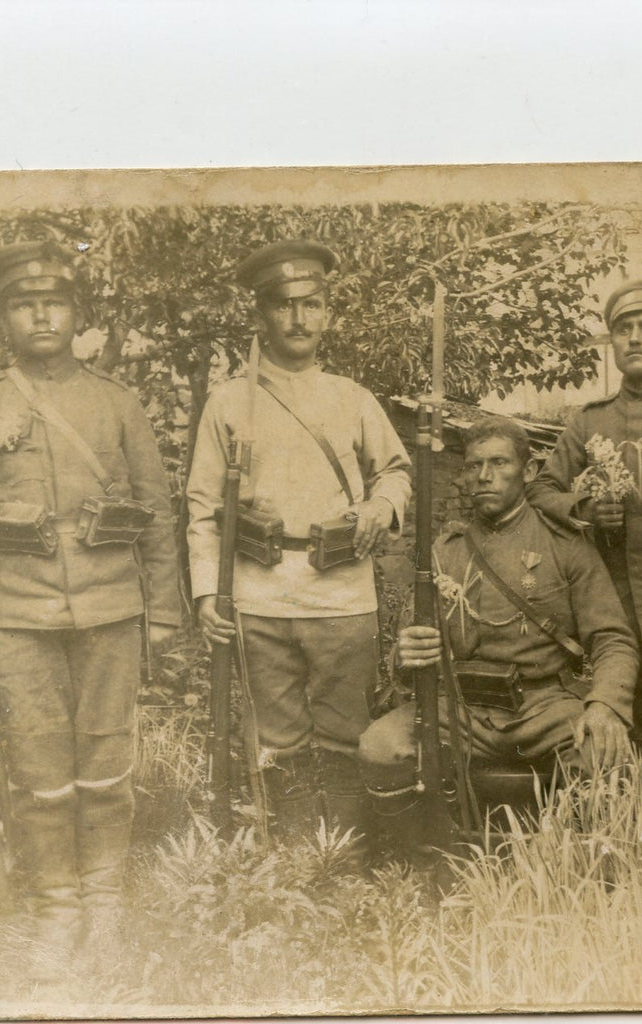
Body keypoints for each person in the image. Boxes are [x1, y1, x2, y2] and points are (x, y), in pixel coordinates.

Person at [0, 241, 183, 967]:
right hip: (18, 609)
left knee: (106, 754)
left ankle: (105, 898)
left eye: (53, 302)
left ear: (75, 310)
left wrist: (168, 611)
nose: (41, 315)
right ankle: (58, 906)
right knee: (36, 757)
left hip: (109, 603)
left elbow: (155, 508)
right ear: (3, 318)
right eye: (24, 305)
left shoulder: (113, 402)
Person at [186, 240, 410, 840]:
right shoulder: (229, 402)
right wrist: (209, 593)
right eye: (284, 306)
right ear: (262, 316)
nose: (298, 319)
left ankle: (343, 860)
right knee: (278, 744)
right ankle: (290, 864)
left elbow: (395, 470)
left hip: (340, 597)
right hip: (258, 597)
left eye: (311, 305)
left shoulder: (351, 397)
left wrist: (381, 504)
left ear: (328, 314)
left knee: (344, 738)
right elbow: (204, 508)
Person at [358, 416, 638, 839]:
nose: (484, 476)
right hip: (458, 708)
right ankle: (424, 857)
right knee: (380, 748)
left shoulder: (565, 545)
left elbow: (613, 638)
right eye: (473, 466)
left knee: (604, 753)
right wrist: (407, 652)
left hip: (543, 705)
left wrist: (605, 705)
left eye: (499, 463)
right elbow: (412, 637)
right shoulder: (444, 549)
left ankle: (574, 868)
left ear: (527, 472)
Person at [528, 279, 642, 750]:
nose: (633, 338)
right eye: (622, 329)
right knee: (637, 732)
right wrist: (585, 509)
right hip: (616, 608)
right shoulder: (590, 420)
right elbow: (541, 490)